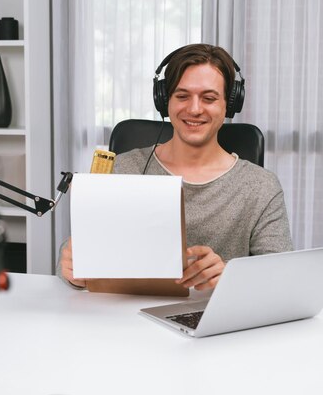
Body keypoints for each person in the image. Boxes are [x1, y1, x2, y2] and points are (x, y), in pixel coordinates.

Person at [58, 43, 293, 291]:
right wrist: (72, 267)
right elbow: (78, 255)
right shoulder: (123, 168)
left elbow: (283, 278)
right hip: (127, 318)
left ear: (229, 105)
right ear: (165, 101)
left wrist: (231, 277)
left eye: (209, 98)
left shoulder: (261, 186)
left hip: (217, 322)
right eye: (182, 96)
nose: (194, 109)